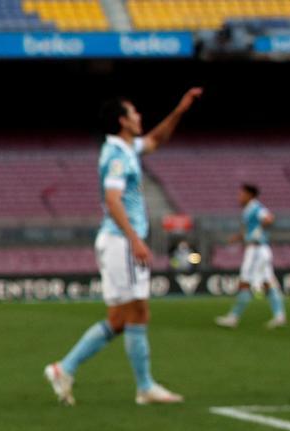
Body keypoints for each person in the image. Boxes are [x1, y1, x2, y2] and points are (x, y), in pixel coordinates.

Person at [45, 88, 202, 406]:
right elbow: (112, 199)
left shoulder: (127, 148)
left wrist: (180, 109)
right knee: (138, 311)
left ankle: (64, 368)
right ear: (122, 121)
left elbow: (156, 140)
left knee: (119, 319)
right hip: (121, 242)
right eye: (133, 113)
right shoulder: (116, 156)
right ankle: (144, 387)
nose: (139, 116)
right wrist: (135, 239)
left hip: (116, 242)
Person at [215, 183, 287, 328]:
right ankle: (279, 315)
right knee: (268, 283)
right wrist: (238, 237)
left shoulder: (255, 207)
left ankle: (234, 317)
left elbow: (269, 218)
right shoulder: (248, 210)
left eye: (241, 194)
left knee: (244, 282)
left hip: (256, 250)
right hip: (261, 250)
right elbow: (249, 230)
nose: (239, 197)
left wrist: (260, 228)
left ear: (249, 195)